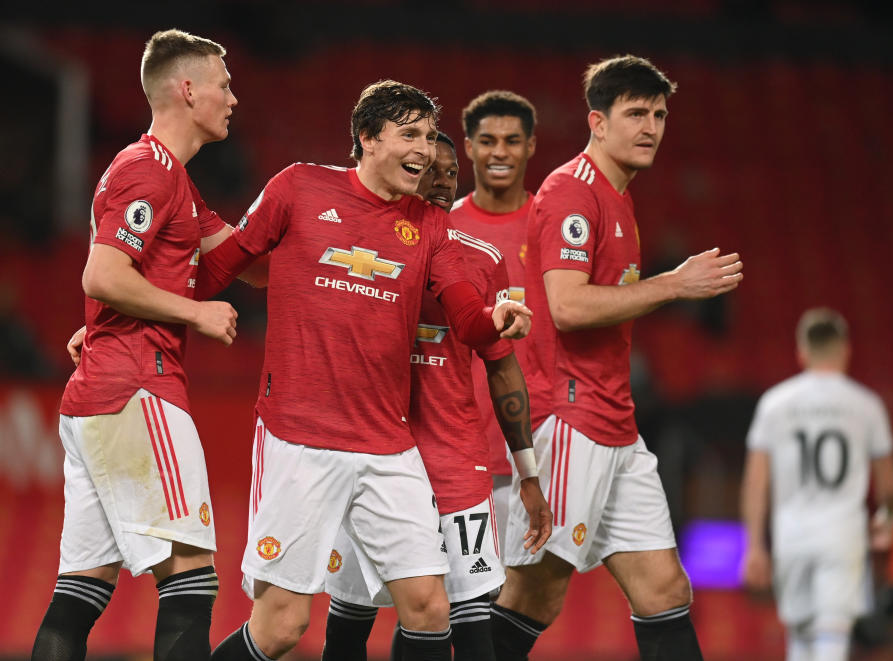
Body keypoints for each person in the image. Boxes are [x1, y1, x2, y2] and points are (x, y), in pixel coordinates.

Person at [201, 81, 533, 661]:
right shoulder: (298, 186)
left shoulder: (429, 224)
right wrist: (129, 312)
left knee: (430, 607)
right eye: (410, 135)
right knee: (282, 628)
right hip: (300, 439)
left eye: (430, 138)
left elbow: (467, 319)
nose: (426, 151)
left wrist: (497, 319)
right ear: (367, 138)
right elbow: (217, 270)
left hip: (387, 445)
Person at [493, 55, 744, 661]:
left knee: (665, 588)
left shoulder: (618, 197)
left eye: (658, 114)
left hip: (616, 424)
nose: (651, 126)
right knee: (535, 596)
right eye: (635, 113)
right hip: (571, 418)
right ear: (597, 122)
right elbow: (569, 306)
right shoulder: (573, 193)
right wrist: (673, 285)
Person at [32, 29, 240, 661]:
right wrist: (194, 312)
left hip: (102, 392)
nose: (233, 99)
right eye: (223, 86)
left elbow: (240, 255)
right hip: (137, 390)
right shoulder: (146, 170)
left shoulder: (172, 179)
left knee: (80, 590)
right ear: (187, 89)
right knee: (191, 572)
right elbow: (101, 274)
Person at [321, 132, 552, 661]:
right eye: (433, 171)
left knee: (471, 623)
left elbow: (503, 371)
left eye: (453, 173)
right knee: (350, 618)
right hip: (372, 455)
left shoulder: (482, 260)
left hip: (454, 463)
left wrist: (528, 471)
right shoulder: (364, 251)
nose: (446, 182)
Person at [741, 308, 893, 661]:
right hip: (842, 533)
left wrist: (754, 546)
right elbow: (889, 485)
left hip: (791, 534)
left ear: (802, 352)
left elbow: (756, 481)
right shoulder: (866, 405)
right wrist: (887, 524)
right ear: (845, 350)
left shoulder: (774, 403)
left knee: (801, 633)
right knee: (833, 632)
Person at [452, 90, 537, 551]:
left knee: (521, 601)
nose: (499, 152)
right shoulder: (442, 228)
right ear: (467, 146)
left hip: (536, 447)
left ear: (531, 146)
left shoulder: (553, 227)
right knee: (446, 603)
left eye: (512, 140)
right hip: (460, 447)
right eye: (487, 140)